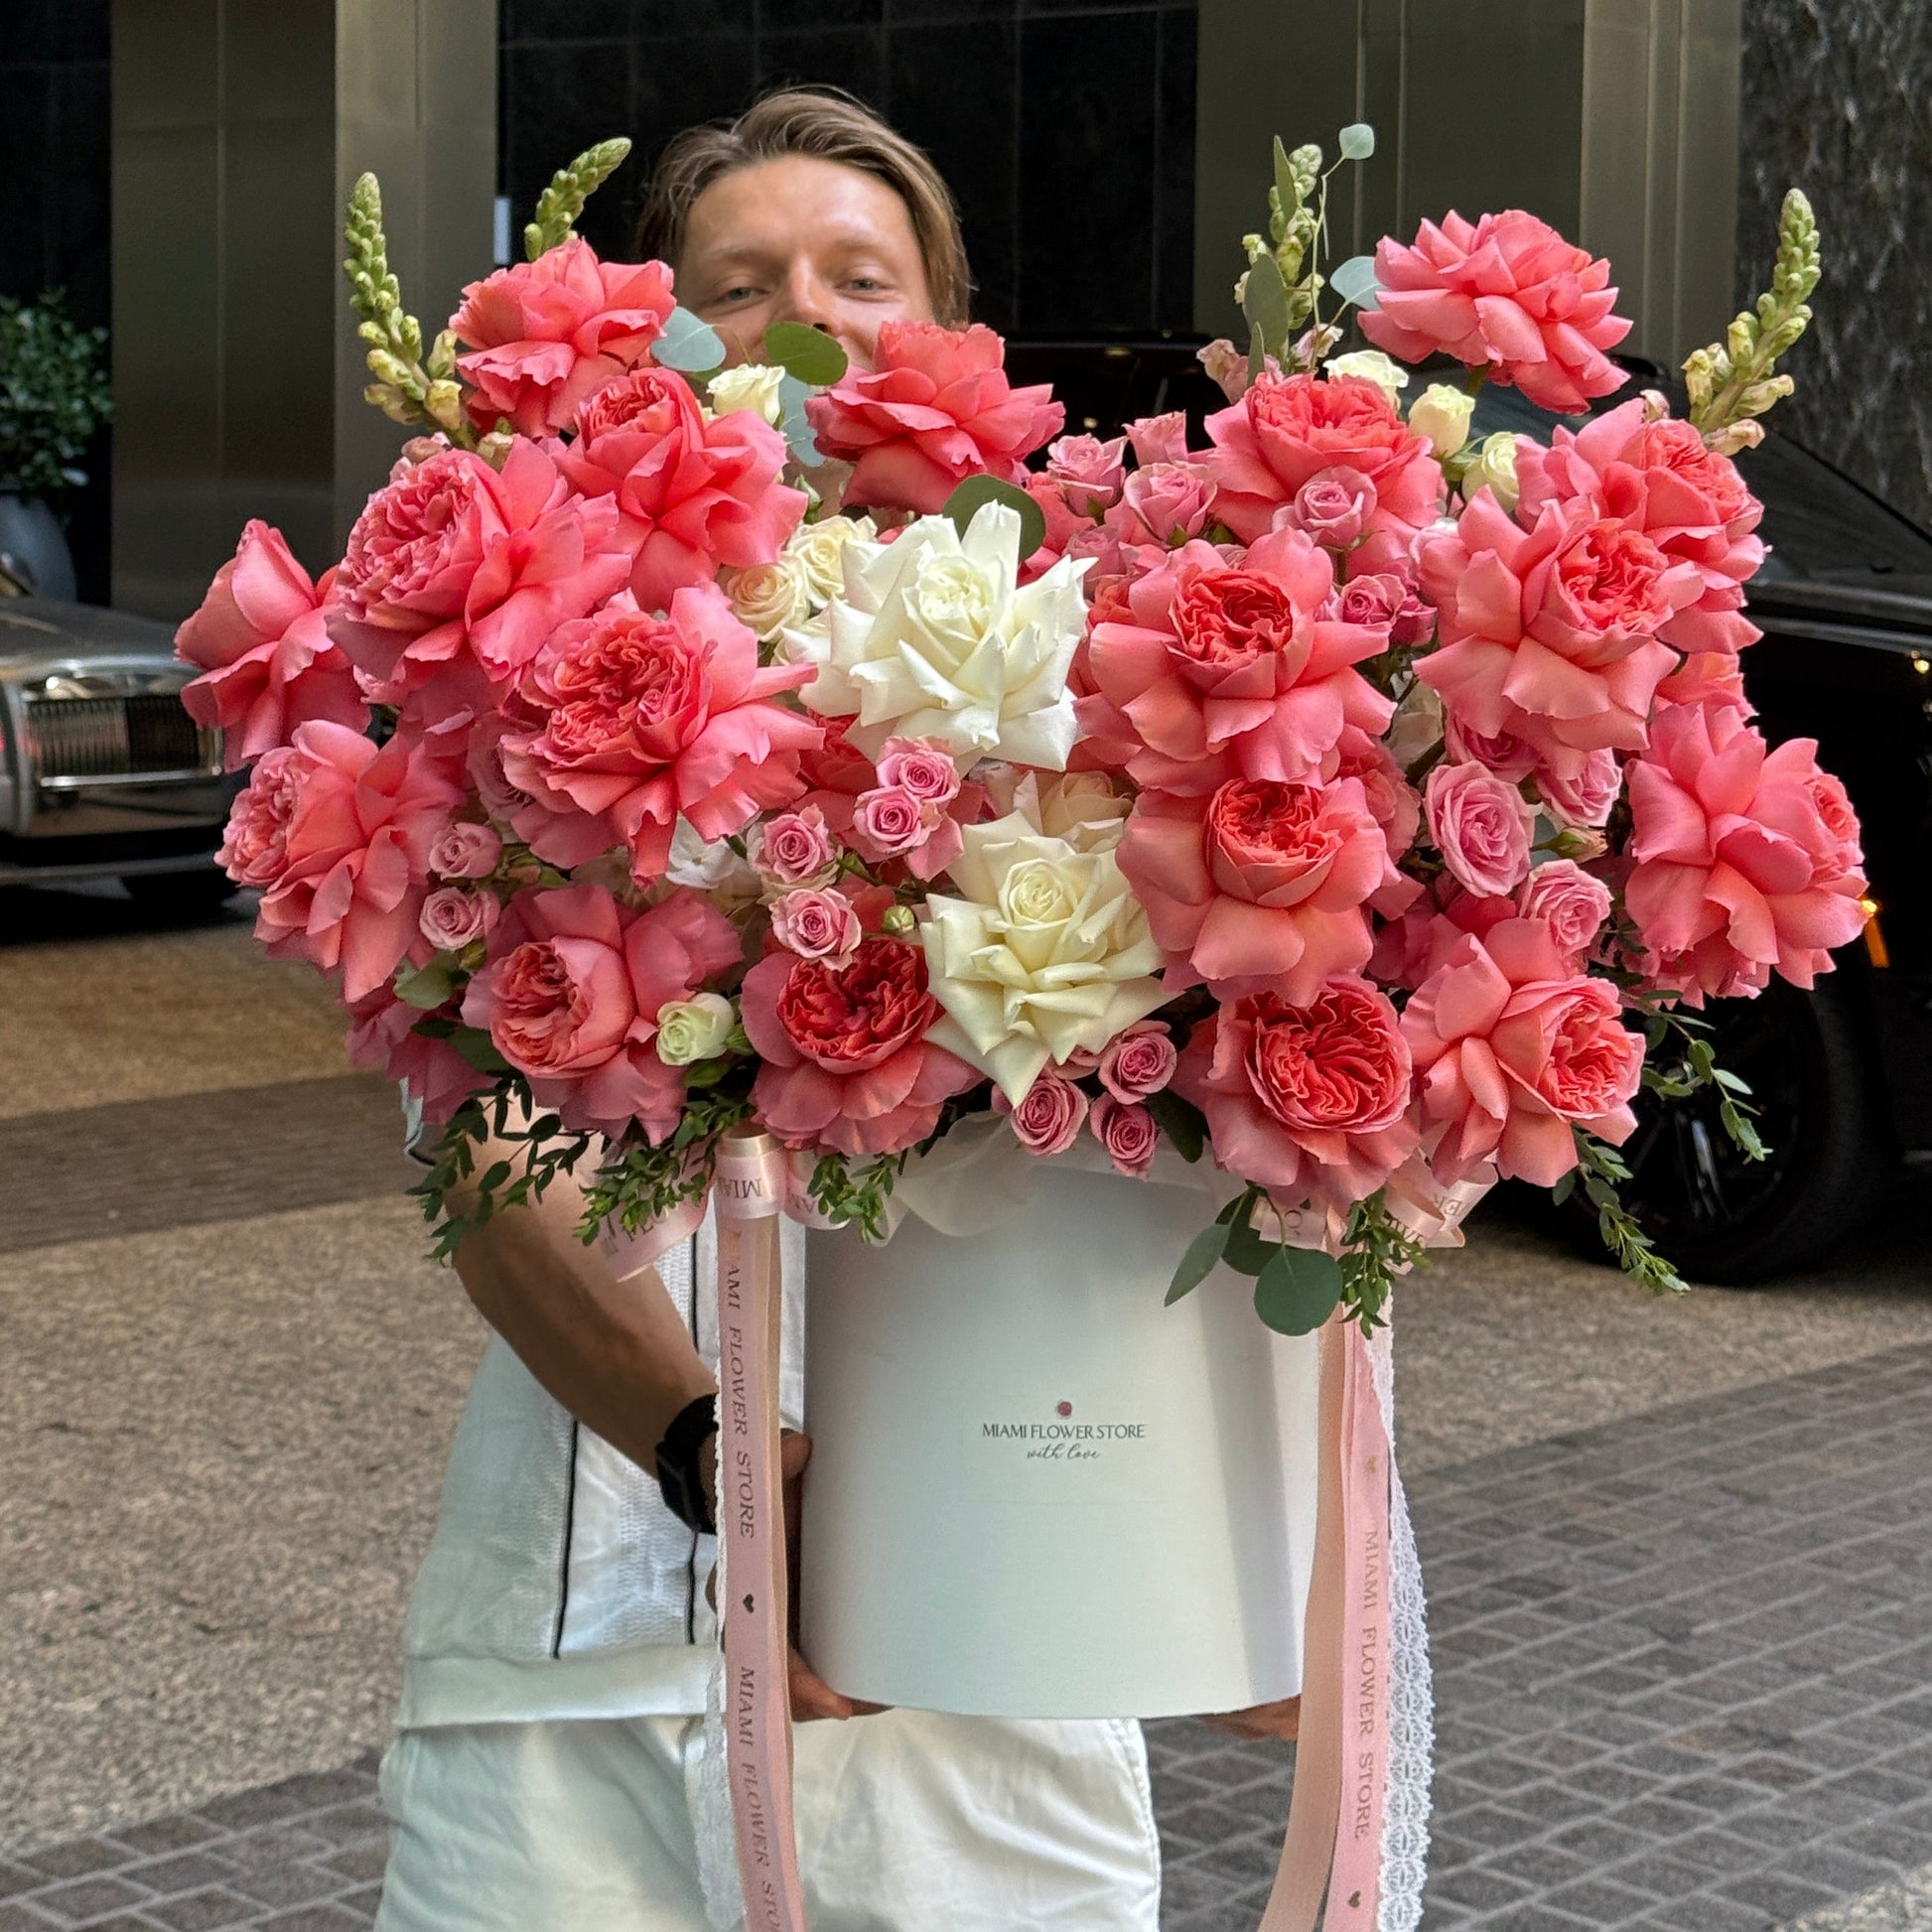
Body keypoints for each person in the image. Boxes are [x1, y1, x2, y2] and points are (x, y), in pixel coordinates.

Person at [372, 90, 1169, 1932]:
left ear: (948, 333)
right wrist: (717, 1465)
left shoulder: (1104, 672)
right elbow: (485, 1149)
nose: (796, 313)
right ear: (660, 335)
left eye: (857, 274)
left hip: (991, 1672)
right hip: (577, 1673)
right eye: (737, 281)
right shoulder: (539, 672)